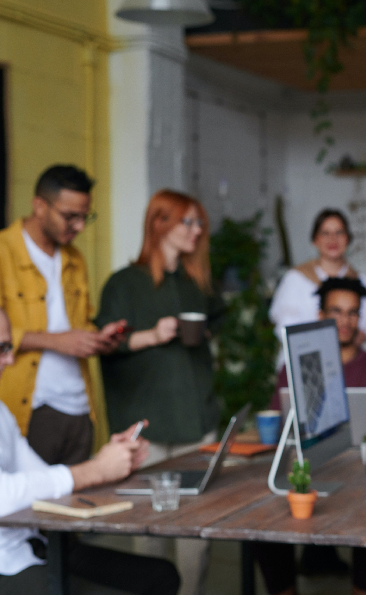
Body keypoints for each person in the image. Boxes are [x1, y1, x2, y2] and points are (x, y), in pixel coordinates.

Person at [0, 309, 181, 595]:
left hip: (35, 549)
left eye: (8, 347)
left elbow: (42, 478)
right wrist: (96, 470)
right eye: (1, 349)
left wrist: (109, 460)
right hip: (7, 565)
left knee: (161, 576)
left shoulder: (2, 413)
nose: (10, 360)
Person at [95, 189, 219, 595]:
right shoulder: (123, 284)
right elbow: (103, 345)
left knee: (195, 536)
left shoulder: (193, 284)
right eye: (188, 221)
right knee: (148, 535)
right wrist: (150, 335)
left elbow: (201, 358)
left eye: (200, 223)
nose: (197, 231)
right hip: (147, 426)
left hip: (195, 423)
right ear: (159, 223)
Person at [256, 277, 366, 595]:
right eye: (336, 312)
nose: (345, 321)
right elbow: (282, 426)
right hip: (309, 469)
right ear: (321, 316)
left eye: (352, 312)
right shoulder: (293, 368)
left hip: (361, 474)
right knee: (264, 518)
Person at [0, 164, 125, 465]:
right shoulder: (3, 251)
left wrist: (97, 339)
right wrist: (57, 341)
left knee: (79, 502)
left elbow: (78, 324)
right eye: (71, 216)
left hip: (80, 407)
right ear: (39, 206)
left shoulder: (75, 259)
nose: (80, 226)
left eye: (85, 217)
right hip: (31, 407)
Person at [270, 208, 366, 358]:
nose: (332, 239)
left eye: (339, 232)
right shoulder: (295, 278)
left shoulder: (360, 281)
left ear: (348, 239)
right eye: (325, 233)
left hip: (346, 362)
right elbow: (286, 326)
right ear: (315, 240)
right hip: (301, 358)